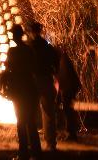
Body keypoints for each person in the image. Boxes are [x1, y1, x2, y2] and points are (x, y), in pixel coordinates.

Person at [2, 24, 41, 160]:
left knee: (21, 121)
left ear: (16, 36)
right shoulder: (29, 50)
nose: (12, 36)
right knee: (30, 121)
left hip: (19, 89)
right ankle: (36, 152)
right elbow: (34, 67)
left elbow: (9, 69)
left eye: (13, 34)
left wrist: (4, 83)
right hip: (30, 89)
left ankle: (23, 151)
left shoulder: (13, 52)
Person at [28, 21, 59, 151]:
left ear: (30, 32)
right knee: (49, 112)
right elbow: (56, 63)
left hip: (32, 80)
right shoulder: (48, 47)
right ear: (40, 32)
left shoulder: (28, 47)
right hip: (46, 79)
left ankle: (32, 143)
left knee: (29, 112)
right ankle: (50, 143)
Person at [57, 46, 82, 141]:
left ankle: (71, 133)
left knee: (68, 110)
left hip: (69, 88)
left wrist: (59, 94)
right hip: (70, 88)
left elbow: (63, 79)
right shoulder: (64, 60)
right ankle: (71, 132)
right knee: (69, 110)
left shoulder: (63, 62)